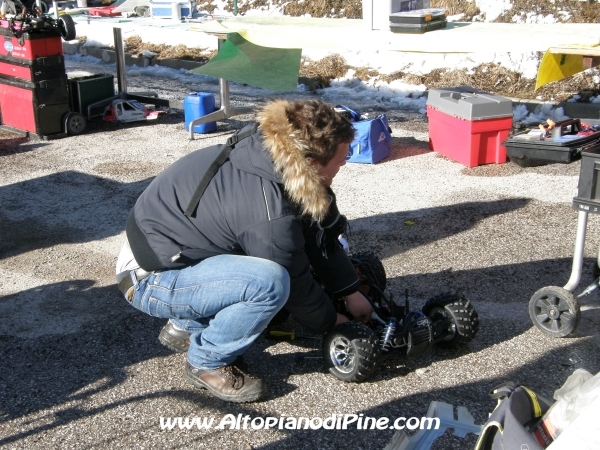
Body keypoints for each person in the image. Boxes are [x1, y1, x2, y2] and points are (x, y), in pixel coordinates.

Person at [115, 99, 373, 403]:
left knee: (271, 275)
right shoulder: (267, 207)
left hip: (177, 253)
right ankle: (206, 360)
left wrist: (350, 290)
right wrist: (333, 323)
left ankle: (187, 324)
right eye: (341, 162)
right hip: (149, 277)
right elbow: (292, 275)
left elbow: (316, 237)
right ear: (313, 162)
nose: (343, 166)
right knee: (271, 283)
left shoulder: (271, 158)